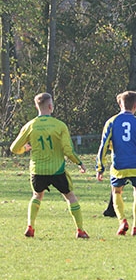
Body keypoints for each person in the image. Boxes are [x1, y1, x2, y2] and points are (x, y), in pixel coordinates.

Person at [10, 93, 89, 239]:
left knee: (36, 196)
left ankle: (30, 226)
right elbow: (67, 149)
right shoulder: (59, 126)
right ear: (51, 106)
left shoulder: (30, 125)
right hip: (57, 169)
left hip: (38, 170)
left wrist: (24, 149)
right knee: (70, 196)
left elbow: (14, 148)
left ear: (36, 106)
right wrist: (79, 162)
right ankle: (80, 230)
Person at [97, 91, 136, 236]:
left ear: (120, 104)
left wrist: (100, 167)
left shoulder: (111, 122)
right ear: (135, 105)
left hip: (119, 165)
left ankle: (122, 221)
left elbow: (103, 146)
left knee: (116, 192)